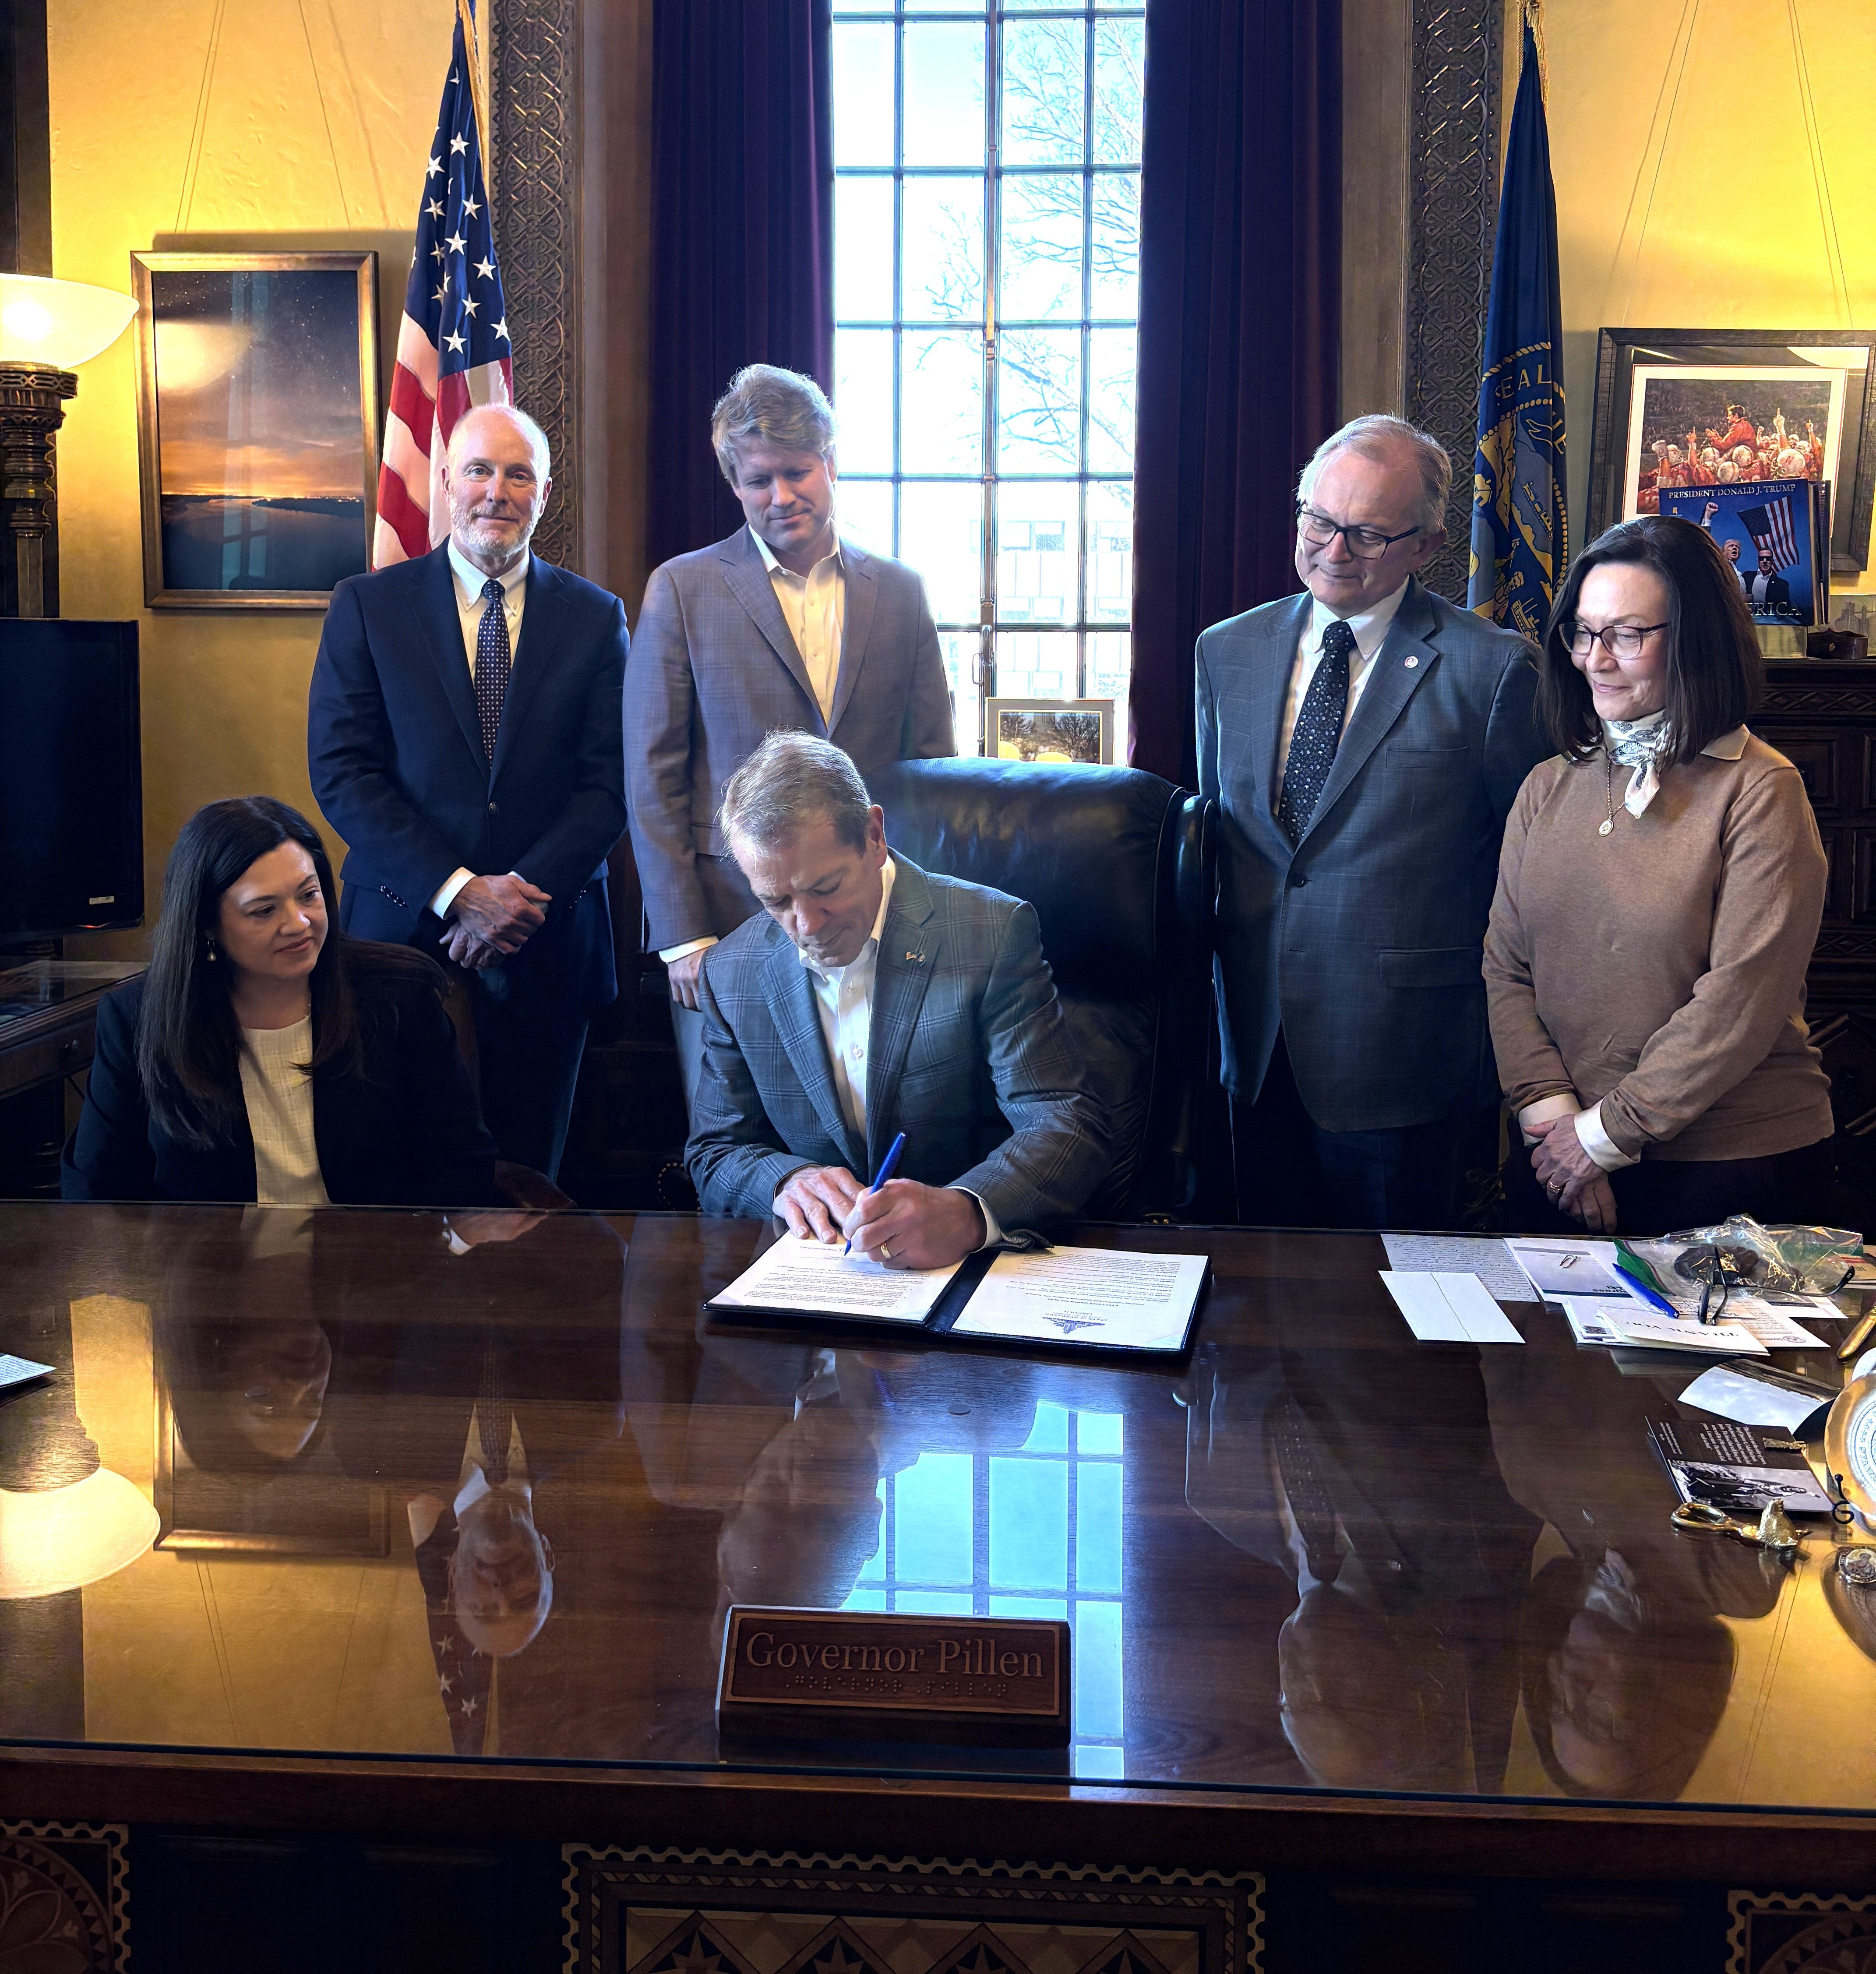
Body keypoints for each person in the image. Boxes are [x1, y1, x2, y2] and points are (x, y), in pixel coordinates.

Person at [1195, 413, 1551, 1230]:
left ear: (1424, 545)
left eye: (1364, 533)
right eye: (1317, 520)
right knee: (1259, 1314)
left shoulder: (1492, 670)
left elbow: (1523, 879)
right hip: (1251, 1047)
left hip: (1404, 1056)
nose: (1331, 549)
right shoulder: (1226, 650)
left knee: (1398, 1324)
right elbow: (1228, 833)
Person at [1484, 514, 1835, 1235]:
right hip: (1551, 1151)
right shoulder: (1544, 787)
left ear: (1694, 640)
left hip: (1723, 1167)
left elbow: (1737, 1002)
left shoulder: (1761, 790)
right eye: (1581, 632)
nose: (1593, 659)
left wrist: (1600, 1139)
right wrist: (1550, 1117)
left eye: (1625, 634)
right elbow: (1505, 968)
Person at [307, 403, 628, 1179]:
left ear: (544, 493)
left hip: (547, 937)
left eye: (518, 473)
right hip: (400, 933)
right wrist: (458, 891)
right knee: (392, 1178)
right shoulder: (368, 605)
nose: (497, 490)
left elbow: (609, 784)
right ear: (446, 480)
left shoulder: (595, 617)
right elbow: (343, 770)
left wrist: (514, 899)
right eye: (479, 469)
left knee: (532, 1184)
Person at [624, 364, 955, 1109]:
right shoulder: (681, 588)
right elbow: (653, 776)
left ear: (831, 463)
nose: (781, 496)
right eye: (758, 480)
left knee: (864, 1119)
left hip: (872, 913)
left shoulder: (899, 591)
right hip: (730, 918)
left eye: (798, 472)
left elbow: (931, 766)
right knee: (736, 1137)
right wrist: (682, 936)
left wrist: (924, 915)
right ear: (734, 483)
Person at [686, 733, 1108, 1268]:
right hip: (820, 1282)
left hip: (974, 1273)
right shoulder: (733, 970)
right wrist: (786, 1181)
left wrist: (970, 1209)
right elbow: (715, 1151)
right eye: (777, 901)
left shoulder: (990, 932)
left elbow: (1066, 1121)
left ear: (874, 836)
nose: (807, 926)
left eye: (826, 887)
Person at [62, 797, 498, 1207]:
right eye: (264, 910)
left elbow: (461, 1165)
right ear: (207, 924)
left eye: (309, 895)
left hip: (372, 1270)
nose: (300, 923)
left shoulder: (400, 994)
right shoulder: (137, 1018)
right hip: (209, 1277)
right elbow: (98, 1193)